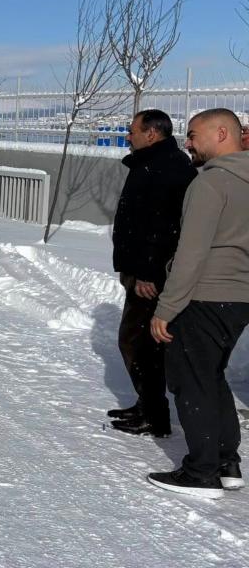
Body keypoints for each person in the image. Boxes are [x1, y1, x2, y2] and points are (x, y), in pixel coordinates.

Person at [147, 108, 249, 499]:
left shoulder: (210, 184)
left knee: (191, 381)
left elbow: (191, 253)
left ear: (221, 132)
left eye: (192, 135)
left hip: (205, 294)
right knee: (212, 376)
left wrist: (166, 308)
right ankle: (226, 462)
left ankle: (201, 473)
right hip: (238, 298)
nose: (187, 143)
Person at [107, 109, 196, 437]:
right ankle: (147, 405)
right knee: (140, 342)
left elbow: (163, 227)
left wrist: (147, 273)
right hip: (141, 271)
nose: (127, 135)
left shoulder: (166, 168)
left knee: (138, 342)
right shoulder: (149, 163)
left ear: (151, 134)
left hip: (151, 276)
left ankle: (154, 415)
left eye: (132, 131)